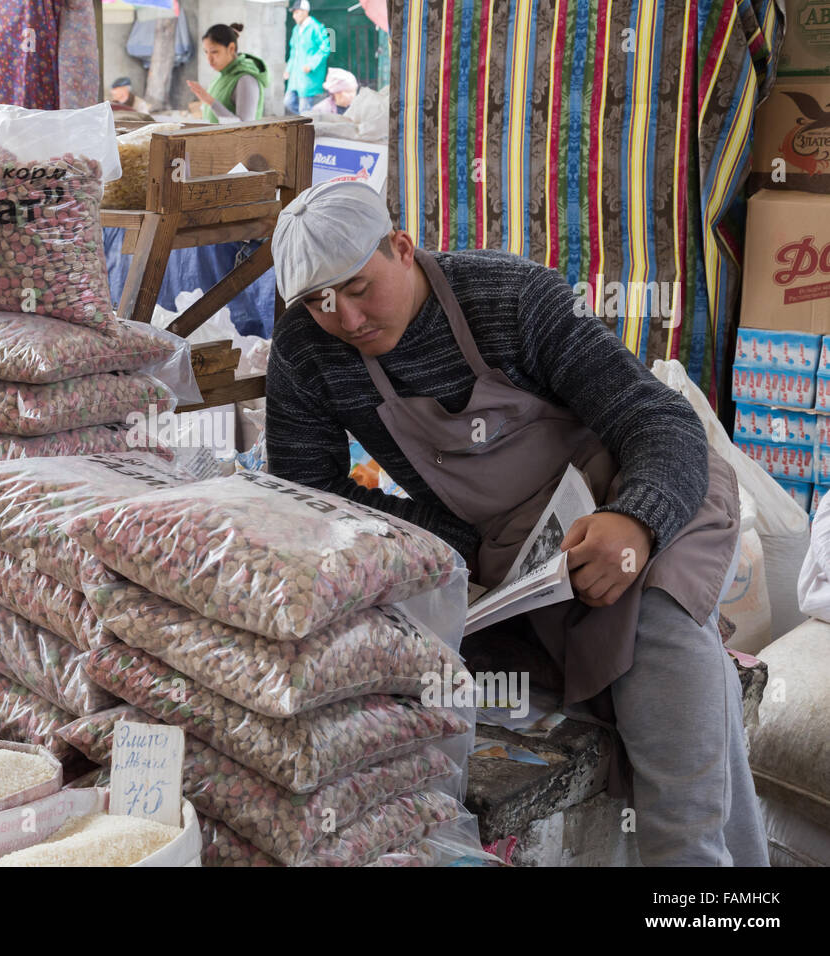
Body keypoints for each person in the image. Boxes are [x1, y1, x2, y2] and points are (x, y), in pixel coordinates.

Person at [266, 179, 767, 867]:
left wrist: (635, 522)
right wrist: (459, 544)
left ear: (402, 248)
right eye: (321, 301)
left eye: (358, 287)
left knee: (659, 626)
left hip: (633, 483)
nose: (347, 318)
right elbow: (308, 491)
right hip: (523, 548)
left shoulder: (507, 297)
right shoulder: (306, 350)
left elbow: (656, 418)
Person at [186, 23, 269, 123]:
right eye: (206, 52)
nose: (209, 59)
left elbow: (245, 126)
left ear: (231, 48)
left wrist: (210, 101)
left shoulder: (246, 79)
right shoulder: (222, 76)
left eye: (214, 52)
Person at [284, 0, 330, 115]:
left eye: (297, 12)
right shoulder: (296, 29)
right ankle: (307, 122)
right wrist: (288, 70)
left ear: (305, 12)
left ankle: (307, 127)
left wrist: (311, 64)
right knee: (288, 102)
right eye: (293, 13)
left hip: (308, 76)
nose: (294, 16)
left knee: (304, 108)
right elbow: (293, 51)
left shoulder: (316, 27)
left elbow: (325, 48)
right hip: (295, 75)